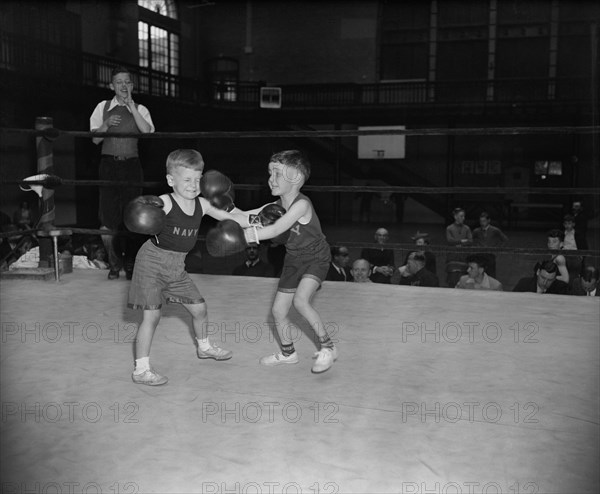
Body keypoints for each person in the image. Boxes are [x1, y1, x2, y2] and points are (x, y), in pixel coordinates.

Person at [209, 150, 337, 374]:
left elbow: (277, 229)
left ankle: (328, 347)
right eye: (270, 173)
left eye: (277, 173)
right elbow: (243, 217)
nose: (270, 178)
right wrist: (213, 207)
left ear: (296, 177)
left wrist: (246, 237)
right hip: (294, 258)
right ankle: (289, 354)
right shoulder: (274, 207)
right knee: (278, 311)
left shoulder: (301, 205)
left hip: (316, 257)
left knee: (301, 301)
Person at [127, 149, 244, 386]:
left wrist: (260, 217)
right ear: (171, 180)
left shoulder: (202, 203)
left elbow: (233, 217)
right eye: (186, 179)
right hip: (151, 263)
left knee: (200, 309)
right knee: (152, 316)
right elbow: (141, 216)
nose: (193, 185)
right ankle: (141, 369)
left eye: (197, 179)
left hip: (176, 267)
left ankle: (204, 347)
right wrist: (138, 212)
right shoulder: (166, 202)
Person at [90, 66, 155, 280]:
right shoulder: (102, 106)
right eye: (119, 82)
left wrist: (131, 108)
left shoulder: (142, 108)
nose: (123, 86)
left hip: (132, 166)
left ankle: (130, 263)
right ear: (112, 86)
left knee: (134, 216)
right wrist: (106, 124)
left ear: (132, 85)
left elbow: (146, 132)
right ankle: (114, 263)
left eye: (127, 82)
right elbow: (95, 139)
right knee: (108, 219)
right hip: (108, 166)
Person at [471, 211, 508, 278]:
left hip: (490, 255)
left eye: (484, 221)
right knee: (479, 273)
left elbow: (505, 239)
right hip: (479, 255)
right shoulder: (476, 231)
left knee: (491, 274)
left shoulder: (495, 230)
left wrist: (498, 249)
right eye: (481, 221)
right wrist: (475, 247)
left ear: (488, 220)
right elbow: (470, 240)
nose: (482, 223)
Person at [445, 207, 472, 287]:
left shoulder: (467, 228)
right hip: (452, 257)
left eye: (463, 216)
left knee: (464, 280)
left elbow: (470, 241)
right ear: (455, 216)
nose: (463, 218)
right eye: (461, 216)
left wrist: (457, 242)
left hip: (463, 257)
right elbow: (450, 241)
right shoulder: (449, 228)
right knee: (452, 280)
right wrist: (461, 241)